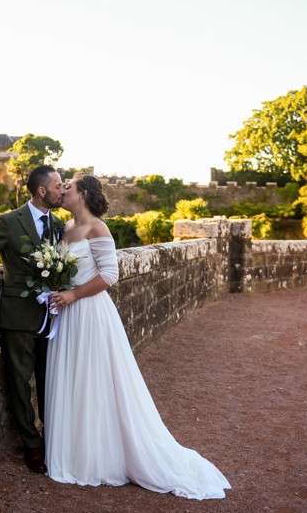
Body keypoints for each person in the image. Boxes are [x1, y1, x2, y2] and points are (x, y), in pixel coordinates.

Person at [44, 173, 231, 499]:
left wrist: (73, 296)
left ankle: (98, 456)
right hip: (68, 317)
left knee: (95, 381)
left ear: (83, 194)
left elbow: (110, 275)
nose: (64, 191)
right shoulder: (64, 229)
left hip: (90, 313)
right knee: (73, 380)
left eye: (69, 187)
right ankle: (72, 450)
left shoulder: (96, 228)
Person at [0, 165, 67, 474]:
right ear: (42, 191)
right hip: (18, 317)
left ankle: (54, 438)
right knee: (20, 384)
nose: (63, 190)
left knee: (51, 381)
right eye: (59, 186)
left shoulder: (60, 225)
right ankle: (32, 445)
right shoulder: (9, 221)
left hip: (54, 317)